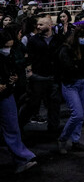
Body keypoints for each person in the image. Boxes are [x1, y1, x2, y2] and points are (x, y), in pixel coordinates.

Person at [0, 30, 38, 174]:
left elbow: (13, 68)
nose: (7, 50)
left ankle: (23, 158)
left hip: (6, 95)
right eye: (5, 46)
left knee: (12, 127)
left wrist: (13, 78)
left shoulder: (8, 56)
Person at [19, 15, 63, 132]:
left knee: (54, 106)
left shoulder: (59, 39)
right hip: (38, 77)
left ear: (50, 25)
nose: (38, 27)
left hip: (54, 77)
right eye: (37, 24)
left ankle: (53, 132)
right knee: (31, 105)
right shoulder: (33, 40)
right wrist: (29, 72)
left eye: (41, 24)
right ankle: (18, 128)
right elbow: (28, 57)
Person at [57, 27, 84, 154]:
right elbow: (70, 68)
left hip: (82, 83)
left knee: (81, 115)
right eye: (82, 36)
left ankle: (76, 141)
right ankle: (62, 139)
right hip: (70, 84)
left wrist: (81, 65)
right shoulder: (66, 49)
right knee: (77, 114)